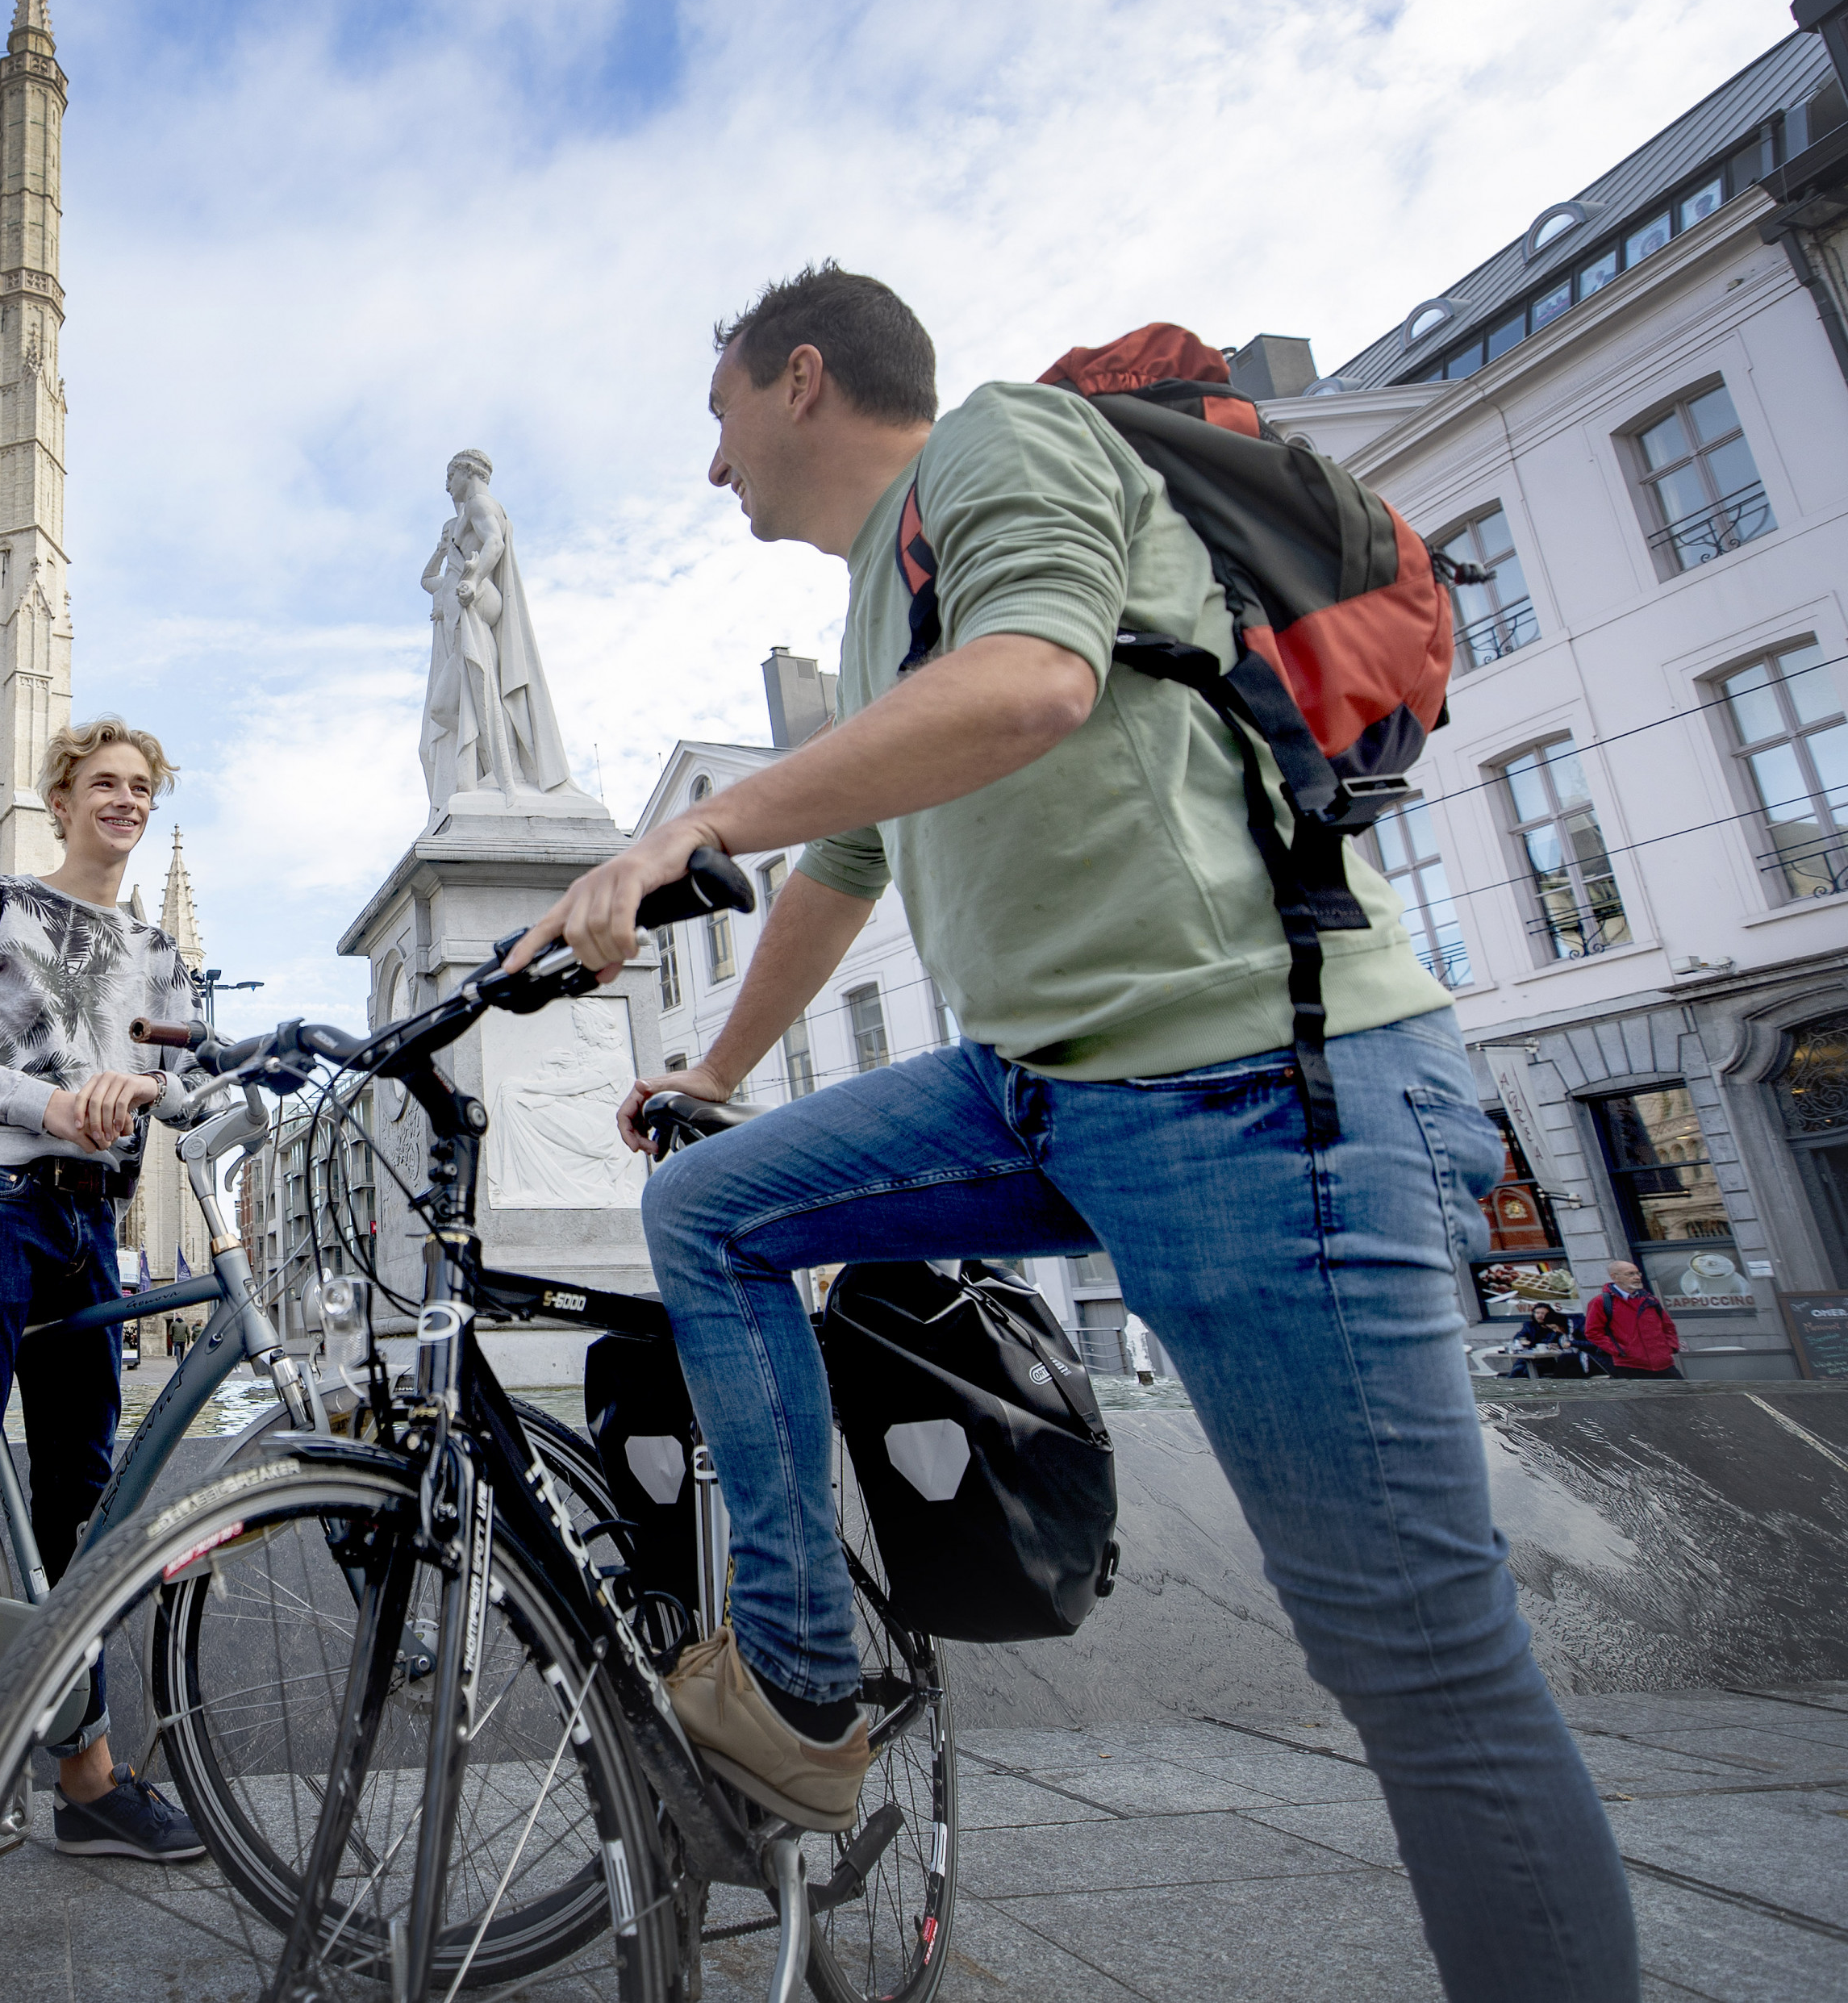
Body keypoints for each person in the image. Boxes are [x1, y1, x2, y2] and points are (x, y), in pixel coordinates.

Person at [507, 264, 1636, 2000]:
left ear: (799, 379)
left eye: (717, 415)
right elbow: (852, 862)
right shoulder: (884, 603)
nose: (710, 465)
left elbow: (1034, 680)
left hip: (1260, 1080)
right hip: (1047, 1085)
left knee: (1415, 1662)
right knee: (713, 1208)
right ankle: (801, 1686)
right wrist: (718, 1070)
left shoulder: (1000, 446)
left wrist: (684, 831)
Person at [0, 717, 210, 1878]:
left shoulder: (160, 950)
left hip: (87, 1226)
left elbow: (193, 1079)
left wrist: (166, 1084)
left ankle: (87, 1779)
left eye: (141, 786)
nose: (124, 799)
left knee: (86, 1501)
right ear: (60, 798)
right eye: (103, 783)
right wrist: (50, 1103)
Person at [1583, 1260, 1682, 1379]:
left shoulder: (1649, 1299)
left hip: (1664, 1364)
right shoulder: (1602, 1302)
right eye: (1630, 1274)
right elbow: (1593, 1333)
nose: (1636, 1277)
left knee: (1684, 1396)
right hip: (1631, 1367)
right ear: (1615, 1277)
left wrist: (1670, 1346)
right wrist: (1620, 1351)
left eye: (1637, 1273)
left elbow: (1668, 1326)